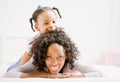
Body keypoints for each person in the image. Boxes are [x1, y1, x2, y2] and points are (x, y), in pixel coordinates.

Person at [4, 28, 102, 78]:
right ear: (43, 56)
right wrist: (43, 75)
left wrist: (75, 76)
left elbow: (99, 73)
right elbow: (8, 74)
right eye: (49, 57)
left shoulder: (72, 61)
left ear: (66, 55)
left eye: (60, 57)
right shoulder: (37, 62)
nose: (54, 63)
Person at [7, 5, 62, 71]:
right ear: (37, 27)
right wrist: (21, 69)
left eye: (53, 22)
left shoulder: (60, 37)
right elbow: (26, 57)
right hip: (28, 58)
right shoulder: (34, 41)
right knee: (11, 70)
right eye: (46, 23)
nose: (51, 25)